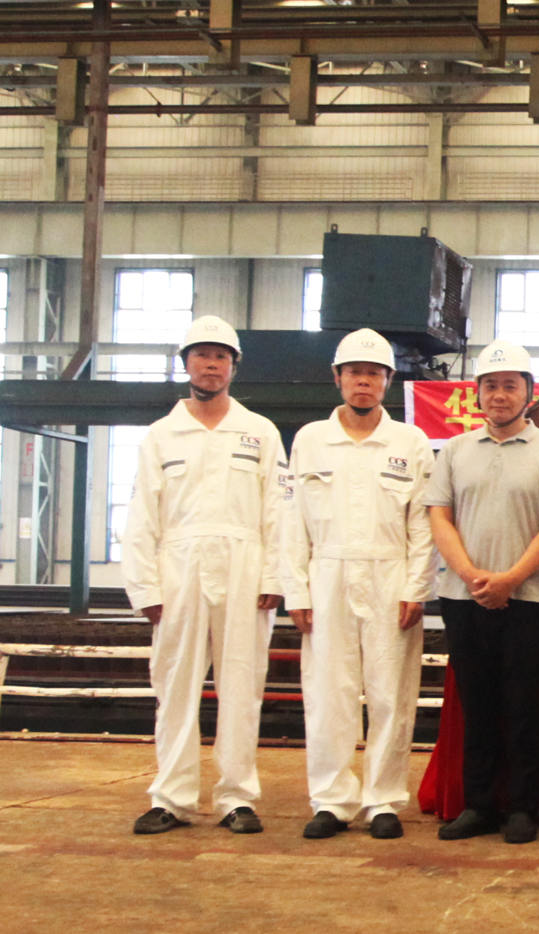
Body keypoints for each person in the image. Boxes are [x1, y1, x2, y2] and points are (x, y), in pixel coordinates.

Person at [123, 315, 288, 836]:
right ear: (187, 364)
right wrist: (145, 588)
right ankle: (171, 798)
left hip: (245, 571)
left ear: (234, 367)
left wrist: (274, 577)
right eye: (202, 355)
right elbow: (141, 517)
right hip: (178, 572)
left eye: (220, 356)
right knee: (175, 687)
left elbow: (278, 510)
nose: (211, 365)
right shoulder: (161, 435)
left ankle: (237, 798)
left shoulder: (259, 432)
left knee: (242, 687)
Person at [284, 327, 436, 841]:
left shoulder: (410, 443)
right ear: (338, 378)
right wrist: (297, 591)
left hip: (390, 578)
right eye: (355, 373)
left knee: (391, 695)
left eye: (374, 373)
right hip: (327, 577)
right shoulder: (310, 441)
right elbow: (292, 522)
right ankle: (331, 800)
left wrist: (416, 588)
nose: (363, 382)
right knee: (329, 694)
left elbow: (422, 524)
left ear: (388, 380)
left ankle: (383, 799)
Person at [425, 339, 539, 845]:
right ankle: (479, 805)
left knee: (523, 705)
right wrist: (469, 575)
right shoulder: (455, 451)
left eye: (510, 385)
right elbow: (439, 517)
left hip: (526, 599)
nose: (499, 395)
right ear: (476, 393)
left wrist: (509, 579)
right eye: (490, 386)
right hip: (462, 599)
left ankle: (522, 807)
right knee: (477, 704)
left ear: (529, 392)